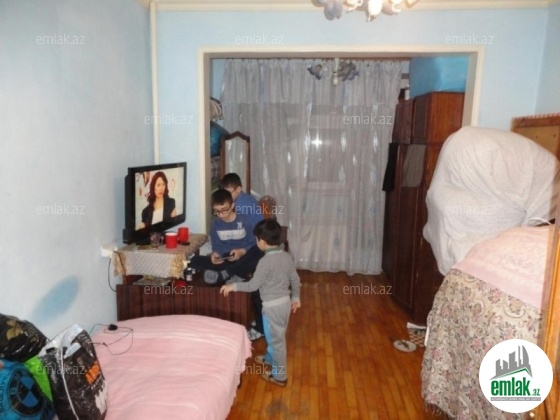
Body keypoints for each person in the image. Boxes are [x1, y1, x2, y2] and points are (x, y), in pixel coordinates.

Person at [220, 219, 301, 387]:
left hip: (272, 308)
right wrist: (296, 298)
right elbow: (295, 279)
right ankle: (270, 359)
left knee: (277, 342)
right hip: (284, 304)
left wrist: (233, 286)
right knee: (274, 336)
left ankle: (280, 376)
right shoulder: (286, 256)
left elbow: (252, 286)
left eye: (256, 239)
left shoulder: (264, 262)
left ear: (262, 242)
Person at [219, 172, 266, 340]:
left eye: (228, 192)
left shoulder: (242, 205)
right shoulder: (242, 200)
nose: (226, 196)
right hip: (257, 243)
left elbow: (252, 234)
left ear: (238, 190)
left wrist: (242, 248)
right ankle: (233, 273)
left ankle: (261, 328)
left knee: (257, 290)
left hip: (259, 245)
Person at [189, 189, 263, 285]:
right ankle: (234, 273)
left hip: (244, 256)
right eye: (216, 211)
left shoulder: (245, 221)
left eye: (224, 210)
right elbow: (217, 246)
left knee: (258, 252)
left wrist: (242, 251)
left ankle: (226, 273)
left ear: (232, 206)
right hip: (226, 258)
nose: (220, 214)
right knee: (194, 261)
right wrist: (215, 254)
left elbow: (254, 243)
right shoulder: (215, 224)